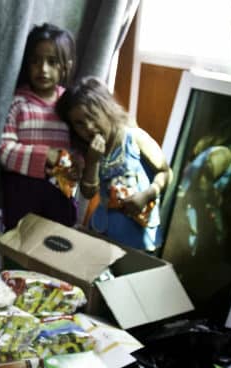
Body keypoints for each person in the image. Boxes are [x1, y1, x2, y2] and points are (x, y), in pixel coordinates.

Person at [56, 77, 171, 252]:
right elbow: (88, 193)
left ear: (106, 108)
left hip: (139, 236)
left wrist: (148, 194)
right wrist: (93, 161)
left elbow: (166, 172)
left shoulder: (134, 138)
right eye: (79, 123)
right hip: (104, 234)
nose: (88, 127)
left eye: (92, 116)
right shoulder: (89, 150)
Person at [0, 23, 80, 230]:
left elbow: (80, 147)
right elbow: (4, 151)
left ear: (66, 66)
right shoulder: (18, 104)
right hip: (21, 196)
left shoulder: (72, 106)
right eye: (36, 61)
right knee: (18, 246)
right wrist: (45, 156)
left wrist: (78, 165)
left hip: (60, 195)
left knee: (56, 246)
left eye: (52, 62)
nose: (43, 69)